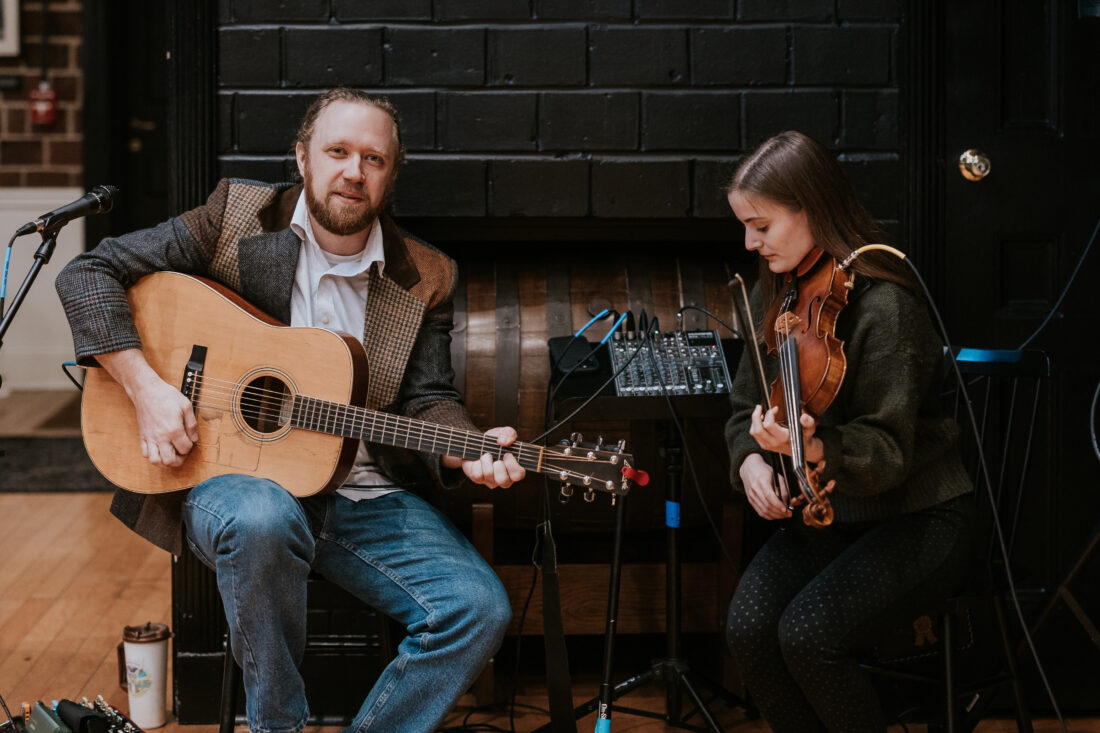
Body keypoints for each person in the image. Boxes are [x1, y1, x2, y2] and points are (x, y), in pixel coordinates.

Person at [56, 88, 522, 733]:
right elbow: (87, 274)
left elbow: (427, 397)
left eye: (373, 159)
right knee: (265, 519)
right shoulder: (237, 215)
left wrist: (467, 447)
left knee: (477, 609)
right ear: (302, 157)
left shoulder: (426, 274)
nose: (353, 172)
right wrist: (146, 388)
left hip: (364, 496)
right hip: (236, 483)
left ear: (391, 175)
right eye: (337, 151)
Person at [722, 131, 974, 732]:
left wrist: (811, 446)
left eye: (762, 225)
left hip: (917, 517)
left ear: (810, 207)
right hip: (828, 518)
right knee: (749, 631)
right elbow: (741, 410)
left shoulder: (885, 305)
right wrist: (751, 464)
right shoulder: (775, 290)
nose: (750, 242)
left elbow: (889, 454)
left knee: (808, 635)